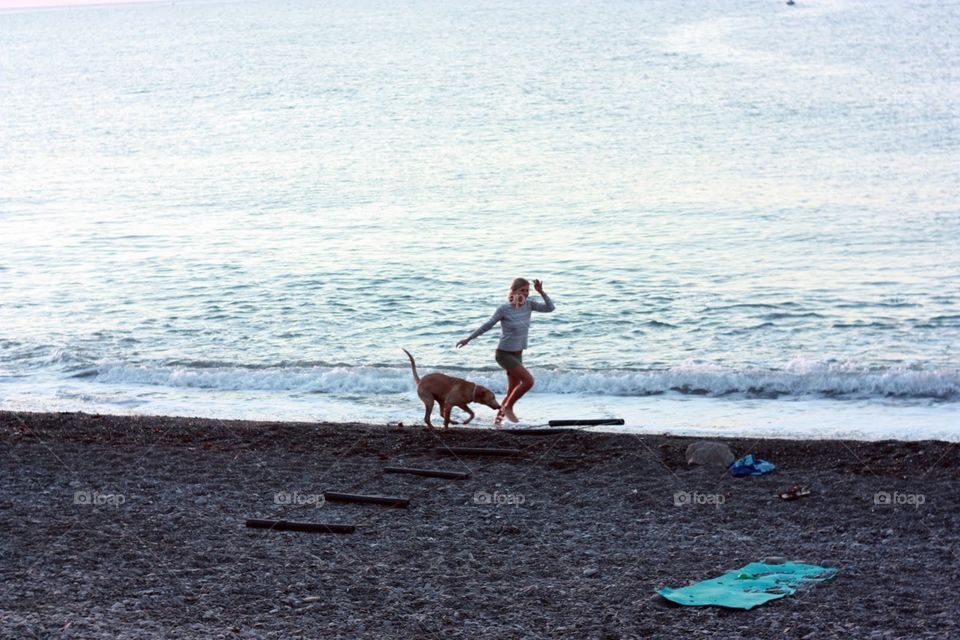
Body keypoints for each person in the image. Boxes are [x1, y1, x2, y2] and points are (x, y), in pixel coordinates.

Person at [456, 277, 555, 425]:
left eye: (527, 290)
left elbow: (550, 308)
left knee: (513, 389)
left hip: (518, 353)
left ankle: (498, 421)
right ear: (513, 291)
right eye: (522, 290)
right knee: (528, 381)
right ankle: (508, 407)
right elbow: (487, 325)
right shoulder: (504, 309)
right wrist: (469, 339)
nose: (526, 293)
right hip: (504, 354)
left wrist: (541, 292)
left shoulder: (529, 305)